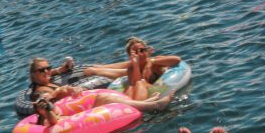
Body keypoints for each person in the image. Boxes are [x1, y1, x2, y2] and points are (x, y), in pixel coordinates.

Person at [28, 57, 175, 113]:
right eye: (42, 70)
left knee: (110, 91)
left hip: (80, 104)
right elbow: (43, 98)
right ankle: (153, 106)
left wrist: (59, 69)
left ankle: (141, 64)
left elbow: (51, 73)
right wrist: (59, 91)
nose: (47, 71)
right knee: (104, 98)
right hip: (75, 114)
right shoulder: (40, 90)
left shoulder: (46, 79)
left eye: (48, 68)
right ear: (33, 74)